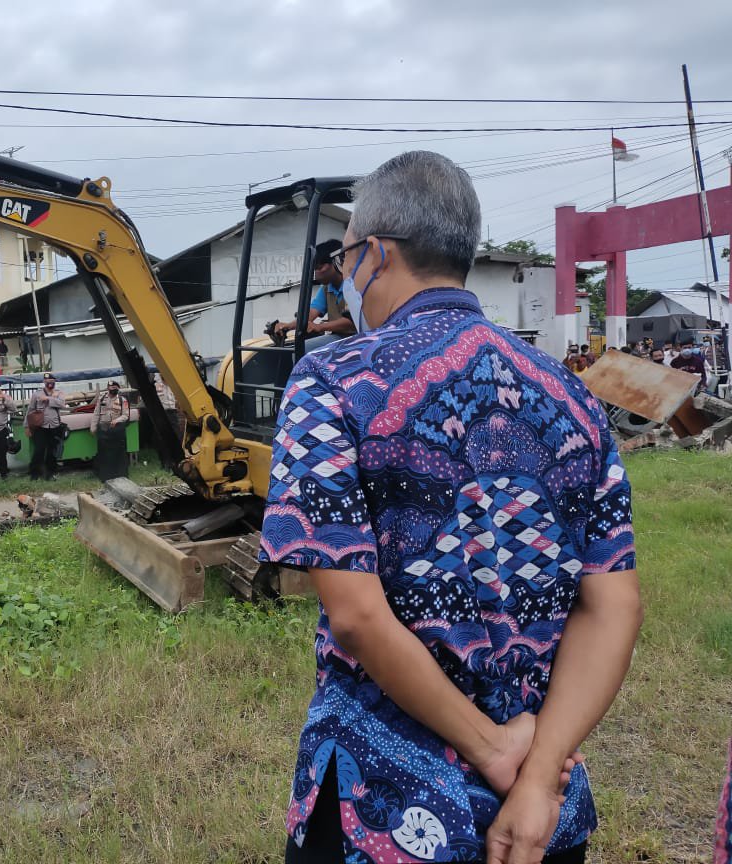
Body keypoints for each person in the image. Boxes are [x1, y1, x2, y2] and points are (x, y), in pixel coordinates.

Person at [258, 151, 641, 864]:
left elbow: (358, 614)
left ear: (372, 255)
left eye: (344, 260)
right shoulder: (573, 396)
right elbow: (613, 605)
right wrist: (535, 775)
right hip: (539, 815)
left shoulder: (331, 382)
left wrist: (491, 748)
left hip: (383, 809)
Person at [274, 239, 365, 345]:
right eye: (314, 269)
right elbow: (312, 312)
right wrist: (287, 326)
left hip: (358, 339)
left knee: (305, 349)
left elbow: (351, 322)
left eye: (319, 267)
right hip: (340, 338)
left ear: (337, 262)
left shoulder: (354, 285)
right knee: (299, 346)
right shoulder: (326, 288)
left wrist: (319, 326)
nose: (316, 274)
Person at [27, 372, 65, 481]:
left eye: (52, 382)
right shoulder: (37, 394)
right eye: (47, 382)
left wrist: (48, 399)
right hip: (40, 427)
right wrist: (27, 427)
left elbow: (62, 404)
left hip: (54, 426)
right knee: (39, 450)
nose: (49, 384)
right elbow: (30, 410)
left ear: (54, 382)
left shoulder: (59, 393)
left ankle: (50, 474)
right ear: (44, 382)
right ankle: (35, 474)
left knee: (52, 452)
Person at [91, 381, 130, 481]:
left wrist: (117, 420)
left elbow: (125, 415)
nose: (112, 388)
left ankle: (120, 475)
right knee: (104, 453)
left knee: (119, 453)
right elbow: (96, 413)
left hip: (117, 429)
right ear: (108, 388)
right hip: (103, 429)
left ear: (118, 388)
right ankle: (105, 476)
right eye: (110, 387)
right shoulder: (102, 398)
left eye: (114, 387)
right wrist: (93, 427)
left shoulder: (122, 399)